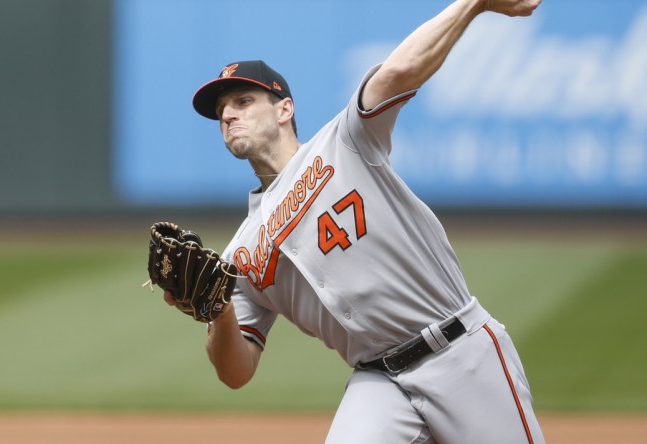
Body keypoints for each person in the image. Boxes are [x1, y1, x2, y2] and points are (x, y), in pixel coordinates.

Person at [165, 0, 545, 442]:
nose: (228, 115)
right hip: (378, 381)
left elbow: (398, 71)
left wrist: (473, 4)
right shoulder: (240, 254)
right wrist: (220, 310)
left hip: (458, 350)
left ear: (284, 109)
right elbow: (235, 372)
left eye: (243, 101)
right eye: (222, 111)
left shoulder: (344, 141)